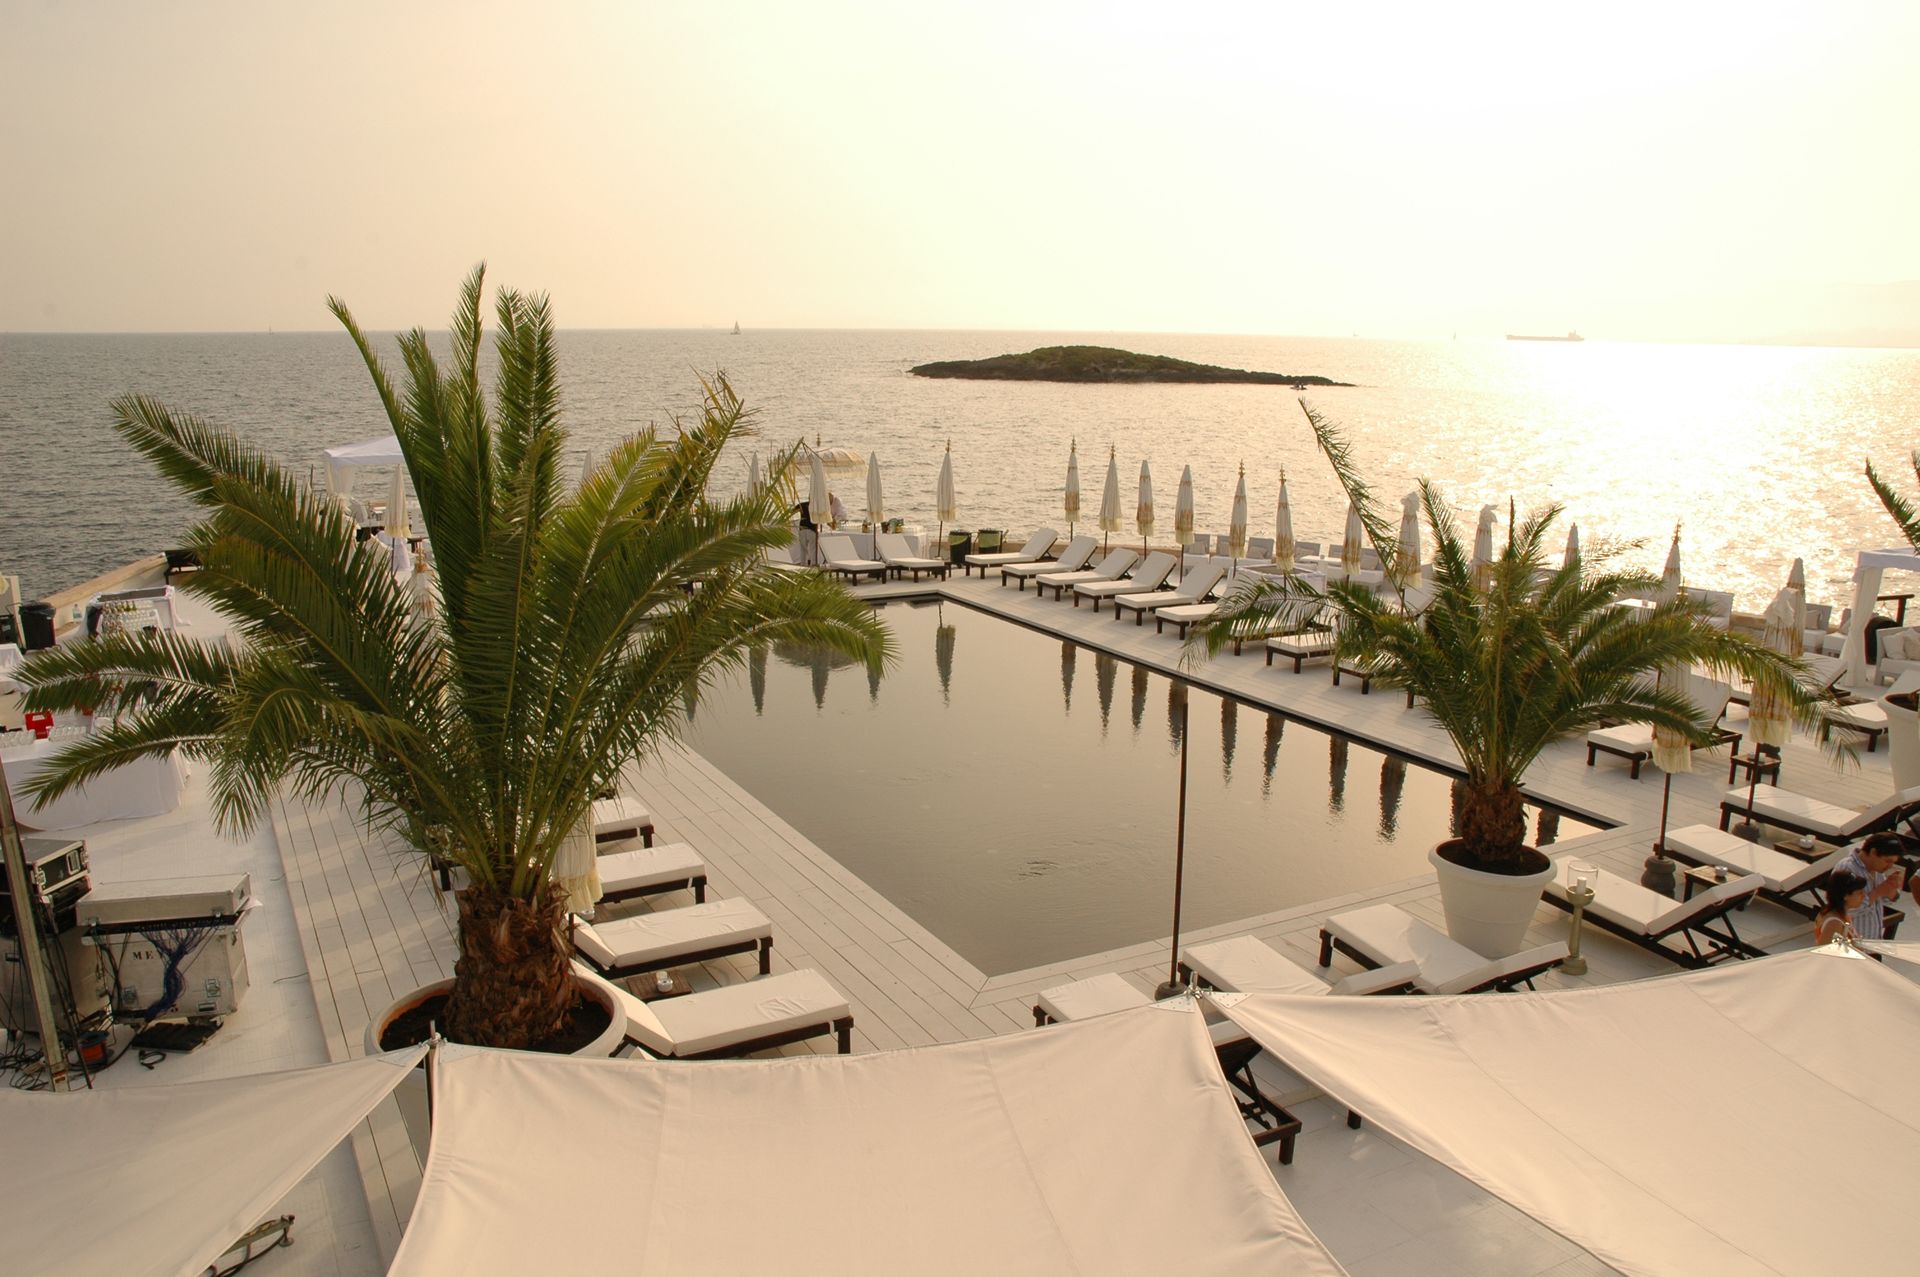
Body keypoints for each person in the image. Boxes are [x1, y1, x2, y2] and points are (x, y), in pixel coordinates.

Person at [1835, 832, 1909, 941]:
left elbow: (1884, 898)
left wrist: (1892, 889)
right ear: (1873, 852)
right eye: (1887, 861)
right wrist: (1878, 892)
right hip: (1851, 943)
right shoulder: (1847, 869)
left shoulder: (1877, 869)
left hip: (1872, 940)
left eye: (1893, 862)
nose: (1890, 866)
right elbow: (1844, 909)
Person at [1813, 868, 1868, 945]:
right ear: (1845, 896)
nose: (1864, 896)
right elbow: (1825, 950)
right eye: (1860, 893)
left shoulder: (1842, 916)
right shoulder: (1834, 923)